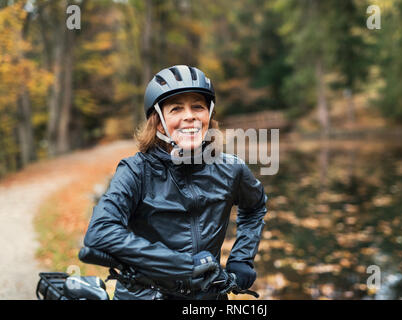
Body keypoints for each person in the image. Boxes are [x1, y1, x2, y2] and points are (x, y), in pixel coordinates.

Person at [83, 65, 267, 300]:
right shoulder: (135, 171)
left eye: (197, 107)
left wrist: (241, 259)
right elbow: (100, 232)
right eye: (176, 109)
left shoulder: (231, 169)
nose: (189, 115)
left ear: (208, 116)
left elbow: (255, 207)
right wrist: (185, 265)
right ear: (159, 123)